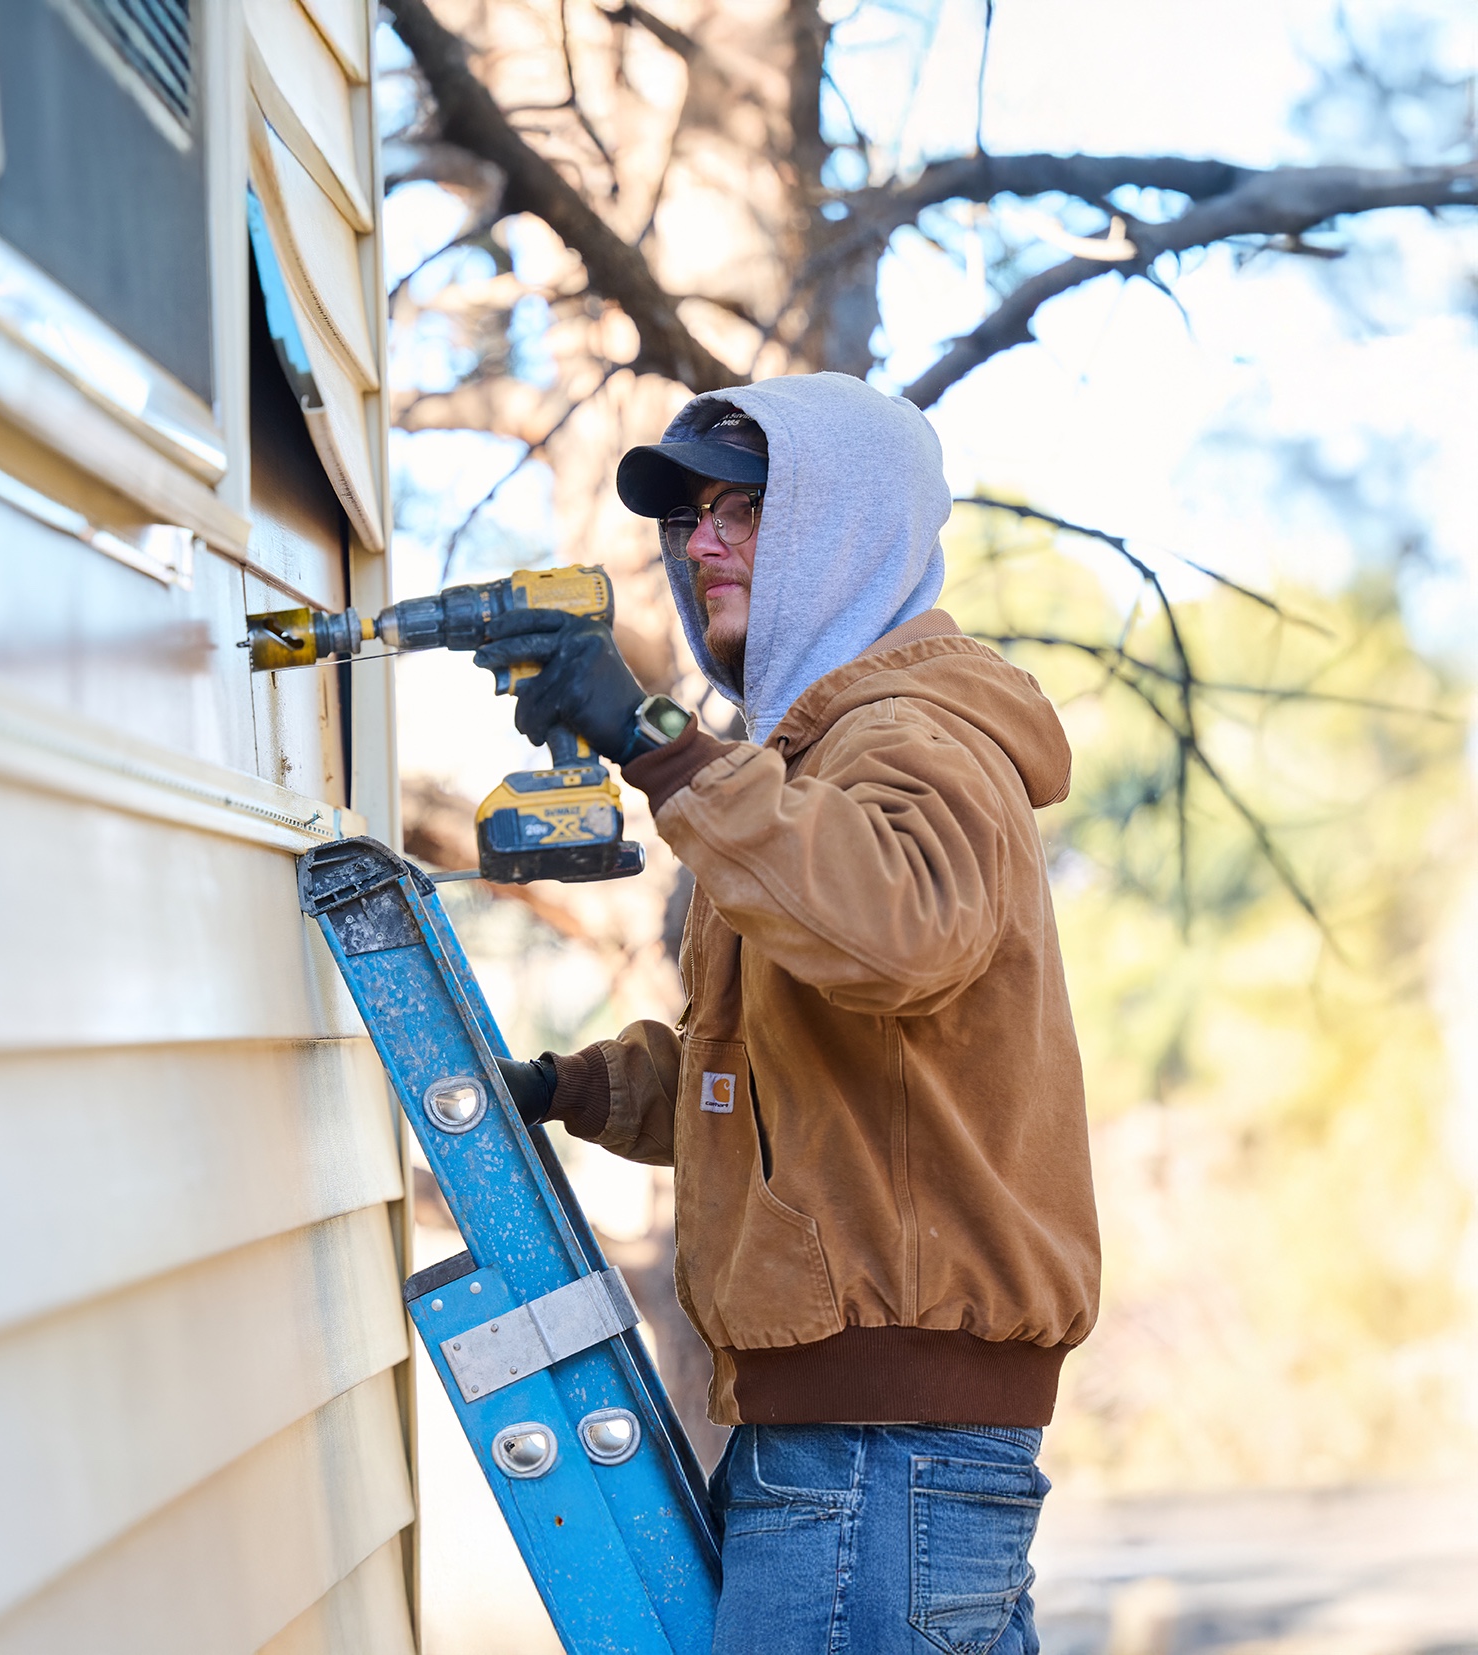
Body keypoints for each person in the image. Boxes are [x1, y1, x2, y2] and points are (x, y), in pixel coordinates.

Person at [471, 372, 1101, 1655]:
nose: (700, 542)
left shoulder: (914, 733)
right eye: (689, 514)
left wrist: (654, 738)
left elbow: (898, 935)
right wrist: (575, 1088)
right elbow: (773, 1074)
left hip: (881, 1452)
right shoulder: (810, 760)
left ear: (846, 525)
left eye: (744, 509)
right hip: (858, 1447)